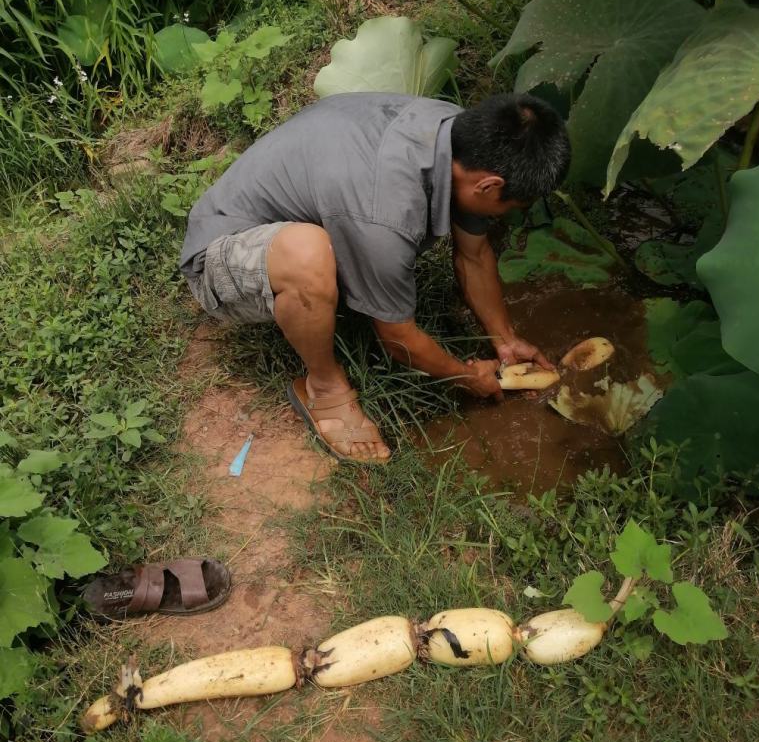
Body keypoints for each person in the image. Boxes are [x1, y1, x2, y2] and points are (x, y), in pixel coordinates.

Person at [180, 91, 571, 464]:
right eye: (512, 207)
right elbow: (398, 340)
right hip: (221, 255)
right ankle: (324, 388)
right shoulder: (386, 212)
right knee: (307, 254)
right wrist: (467, 376)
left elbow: (474, 253)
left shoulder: (455, 133)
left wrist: (504, 339)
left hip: (323, 205)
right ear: (489, 185)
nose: (503, 216)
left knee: (321, 245)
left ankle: (328, 276)